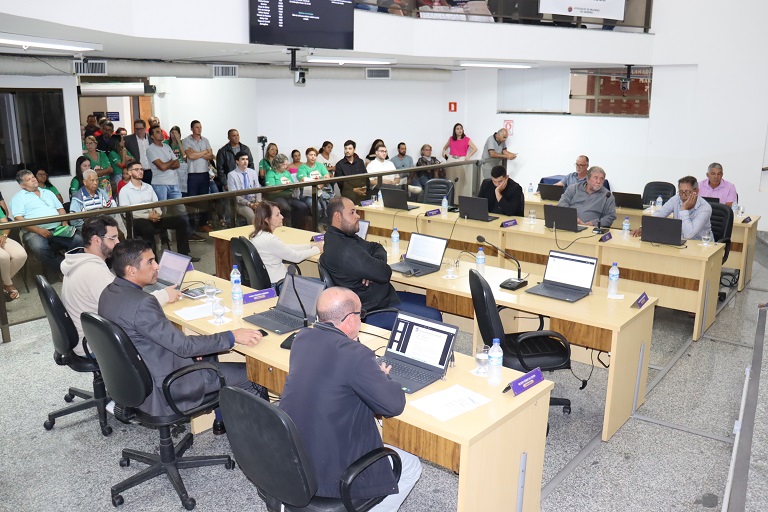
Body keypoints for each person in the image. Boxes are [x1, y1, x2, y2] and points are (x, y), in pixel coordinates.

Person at [279, 286, 422, 508]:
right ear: (350, 319)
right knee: (412, 465)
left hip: (296, 456)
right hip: (335, 474)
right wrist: (382, 378)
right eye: (360, 315)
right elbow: (394, 405)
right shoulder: (356, 356)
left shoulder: (303, 338)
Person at [98, 238, 265, 421]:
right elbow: (184, 347)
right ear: (131, 270)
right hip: (168, 385)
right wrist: (232, 336)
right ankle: (253, 439)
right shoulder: (143, 304)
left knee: (206, 354)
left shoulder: (109, 293)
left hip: (137, 379)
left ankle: (221, 420)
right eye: (150, 262)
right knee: (253, 376)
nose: (157, 267)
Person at [61, 215, 180, 356]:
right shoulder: (94, 272)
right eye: (113, 238)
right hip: (94, 345)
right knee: (163, 343)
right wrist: (164, 294)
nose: (118, 243)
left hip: (87, 336)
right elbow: (127, 308)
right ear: (96, 240)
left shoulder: (79, 261)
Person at [320, 197, 440, 329]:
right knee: (434, 315)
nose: (358, 216)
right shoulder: (347, 250)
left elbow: (376, 247)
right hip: (373, 309)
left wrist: (371, 267)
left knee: (429, 302)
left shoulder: (337, 237)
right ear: (337, 216)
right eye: (352, 212)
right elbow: (385, 273)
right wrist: (373, 268)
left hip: (378, 298)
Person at [118, 160, 200, 262]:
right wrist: (148, 216)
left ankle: (184, 254)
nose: (140, 172)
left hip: (153, 217)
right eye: (137, 170)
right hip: (137, 220)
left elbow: (157, 204)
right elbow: (127, 212)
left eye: (141, 169)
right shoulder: (125, 191)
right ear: (130, 172)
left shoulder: (148, 187)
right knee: (147, 229)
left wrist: (157, 214)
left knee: (180, 221)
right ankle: (153, 260)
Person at [11, 169, 82, 274]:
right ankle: (65, 270)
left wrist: (64, 222)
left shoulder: (48, 192)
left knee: (78, 240)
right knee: (39, 248)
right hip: (34, 232)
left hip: (57, 229)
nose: (33, 180)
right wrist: (38, 230)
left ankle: (74, 266)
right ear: (22, 185)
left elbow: (60, 209)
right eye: (29, 179)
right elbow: (18, 218)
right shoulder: (19, 197)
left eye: (33, 177)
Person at [249, 201, 322, 285]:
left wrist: (310, 246)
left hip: (272, 281)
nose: (282, 217)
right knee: (323, 285)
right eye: (277, 215)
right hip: (280, 284)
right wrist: (317, 249)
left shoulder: (258, 235)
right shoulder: (270, 240)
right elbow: (296, 257)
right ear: (266, 219)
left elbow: (285, 248)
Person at [632, 176, 713, 240]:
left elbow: (688, 235)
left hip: (700, 245)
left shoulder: (705, 208)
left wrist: (684, 209)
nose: (683, 195)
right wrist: (644, 228)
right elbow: (660, 214)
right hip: (680, 241)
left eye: (687, 192)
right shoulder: (676, 199)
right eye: (681, 192)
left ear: (696, 191)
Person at [264, 153, 311, 230]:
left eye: (286, 164)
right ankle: (288, 228)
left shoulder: (286, 173)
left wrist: (291, 187)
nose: (286, 166)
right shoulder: (271, 173)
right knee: (286, 208)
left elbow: (291, 184)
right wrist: (284, 187)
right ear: (278, 164)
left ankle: (296, 227)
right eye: (284, 164)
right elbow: (271, 189)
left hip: (289, 196)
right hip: (276, 197)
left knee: (303, 207)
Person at [183, 120, 214, 232]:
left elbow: (210, 156)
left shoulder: (205, 140)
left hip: (204, 174)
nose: (199, 129)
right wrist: (203, 152)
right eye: (196, 127)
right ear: (192, 129)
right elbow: (190, 156)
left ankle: (202, 224)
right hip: (193, 175)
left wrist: (198, 153)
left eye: (200, 127)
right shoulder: (186, 140)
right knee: (192, 201)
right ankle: (191, 227)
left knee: (204, 201)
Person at [441, 123, 478, 198]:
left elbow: (475, 149)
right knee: (450, 179)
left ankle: (458, 199)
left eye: (461, 128)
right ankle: (450, 198)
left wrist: (468, 156)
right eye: (457, 129)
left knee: (460, 180)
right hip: (451, 159)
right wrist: (444, 153)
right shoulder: (451, 139)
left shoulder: (466, 139)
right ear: (454, 131)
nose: (459, 130)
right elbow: (444, 148)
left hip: (461, 159)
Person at [297, 147, 333, 220]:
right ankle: (317, 225)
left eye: (314, 155)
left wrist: (321, 184)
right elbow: (303, 179)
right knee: (317, 207)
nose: (313, 157)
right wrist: (319, 182)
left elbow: (327, 177)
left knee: (330, 205)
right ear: (306, 155)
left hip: (322, 191)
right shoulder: (302, 167)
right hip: (308, 194)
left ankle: (326, 224)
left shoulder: (320, 165)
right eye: (311, 155)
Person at [0, 205, 27, 302]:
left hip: (1, 237)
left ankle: (3, 282)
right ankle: (8, 284)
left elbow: (5, 223)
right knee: (3, 256)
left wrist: (4, 235)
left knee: (21, 255)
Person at [227, 151, 261, 224]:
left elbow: (258, 189)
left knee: (268, 211)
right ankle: (253, 234)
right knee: (251, 216)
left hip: (255, 201)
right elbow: (234, 195)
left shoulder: (253, 172)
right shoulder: (232, 175)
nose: (245, 162)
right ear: (237, 161)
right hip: (241, 203)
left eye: (247, 159)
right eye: (243, 159)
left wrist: (258, 202)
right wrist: (249, 204)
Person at [124, 119, 152, 184]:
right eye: (136, 129)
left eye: (141, 129)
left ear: (145, 128)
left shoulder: (151, 138)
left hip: (151, 170)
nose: (139, 131)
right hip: (137, 171)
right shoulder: (128, 140)